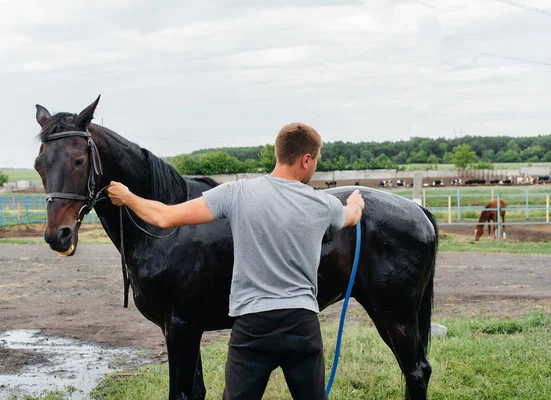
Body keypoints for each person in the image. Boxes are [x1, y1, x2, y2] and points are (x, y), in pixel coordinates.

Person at [107, 122, 364, 399]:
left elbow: (164, 217)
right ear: (305, 160)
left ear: (278, 153)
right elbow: (351, 216)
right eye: (315, 162)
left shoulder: (237, 193)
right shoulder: (321, 205)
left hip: (252, 328)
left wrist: (128, 197)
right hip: (301, 325)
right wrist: (356, 203)